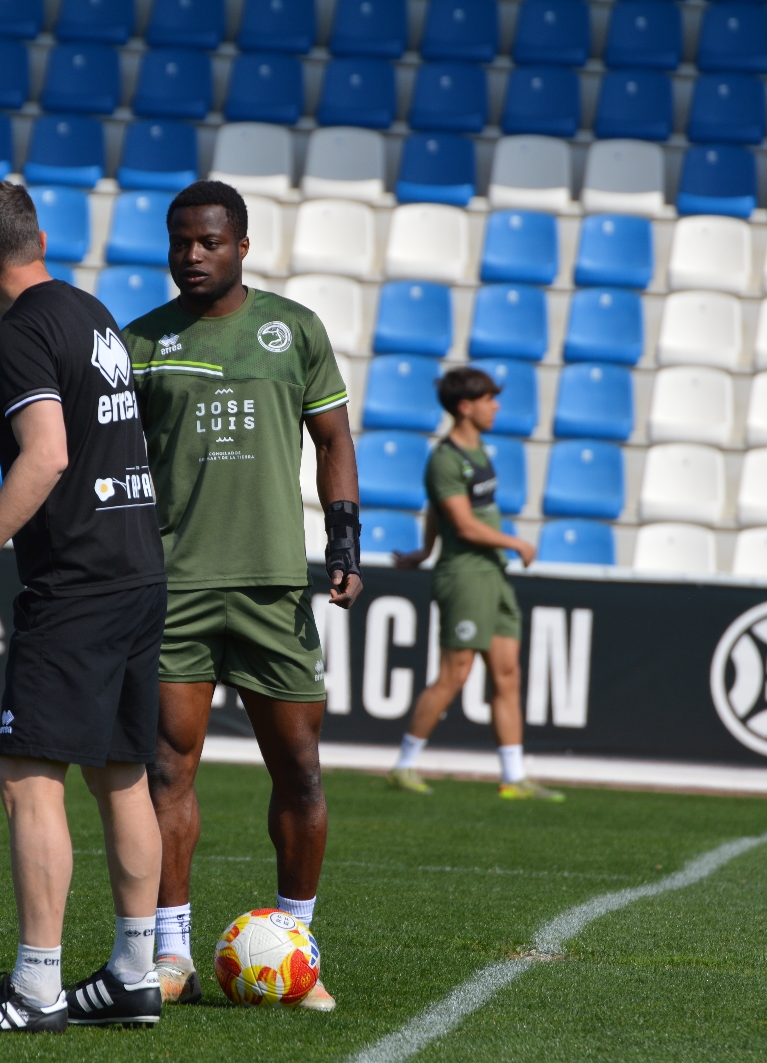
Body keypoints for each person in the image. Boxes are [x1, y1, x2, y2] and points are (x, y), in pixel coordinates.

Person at [0, 182, 170, 1034]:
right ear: (42, 241)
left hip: (79, 581)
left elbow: (47, 455)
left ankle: (35, 988)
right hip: (137, 568)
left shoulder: (20, 330)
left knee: (29, 776)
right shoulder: (92, 313)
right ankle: (134, 972)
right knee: (122, 772)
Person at [119, 180, 364, 1011]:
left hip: (270, 586)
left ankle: (298, 948)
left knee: (298, 769)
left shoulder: (293, 329)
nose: (192, 255)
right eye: (179, 242)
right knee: (166, 770)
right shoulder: (140, 341)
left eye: (210, 242)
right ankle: (171, 955)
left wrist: (343, 541)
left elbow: (332, 439)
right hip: (173, 587)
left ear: (242, 246)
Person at [390, 368, 563, 801]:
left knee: (507, 674)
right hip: (465, 575)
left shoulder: (478, 448)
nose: (496, 406)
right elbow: (464, 525)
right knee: (455, 673)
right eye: (489, 399)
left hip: (492, 573)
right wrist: (514, 542)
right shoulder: (445, 459)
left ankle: (513, 777)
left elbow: (437, 509)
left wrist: (424, 549)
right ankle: (404, 765)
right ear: (465, 407)